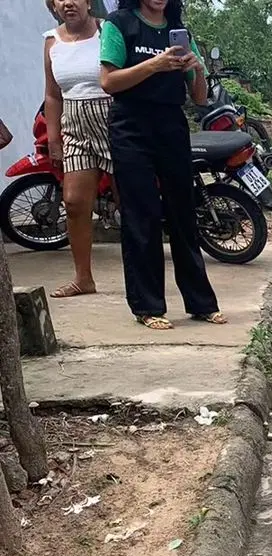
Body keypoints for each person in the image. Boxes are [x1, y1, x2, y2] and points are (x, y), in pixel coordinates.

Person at [99, 0, 226, 330]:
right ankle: (147, 306)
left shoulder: (178, 29)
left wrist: (197, 69)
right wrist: (154, 65)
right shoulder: (120, 23)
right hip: (131, 126)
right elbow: (109, 82)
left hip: (171, 124)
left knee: (183, 212)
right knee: (142, 215)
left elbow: (199, 98)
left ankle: (201, 303)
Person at [43, 0, 113, 299]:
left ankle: (145, 278)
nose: (67, 2)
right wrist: (53, 139)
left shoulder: (107, 31)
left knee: (132, 203)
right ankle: (83, 279)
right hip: (75, 126)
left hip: (113, 122)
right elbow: (52, 94)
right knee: (73, 203)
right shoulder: (51, 41)